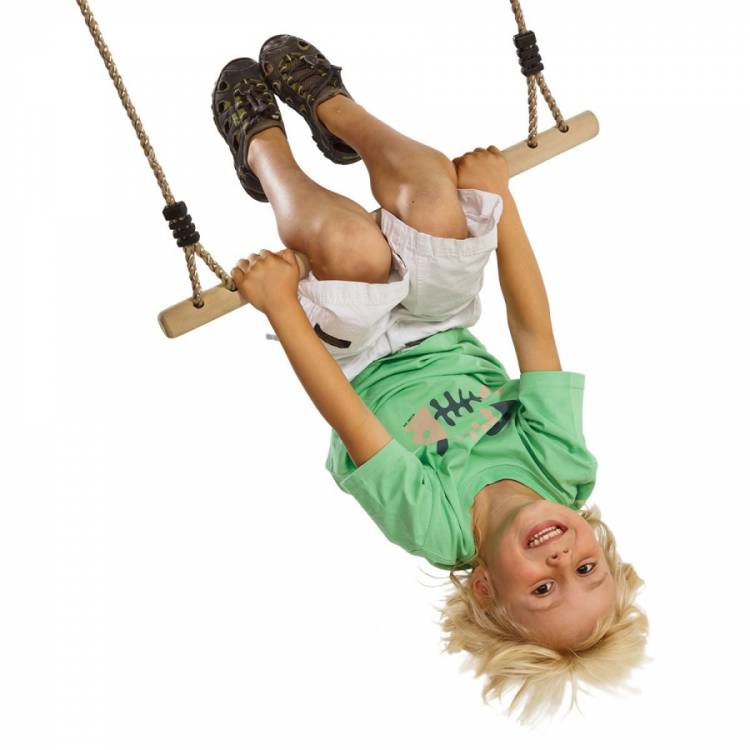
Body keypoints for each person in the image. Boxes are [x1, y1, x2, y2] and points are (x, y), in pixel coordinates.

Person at [212, 35, 650, 724]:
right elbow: (532, 331)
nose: (560, 560)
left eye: (543, 590)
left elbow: (346, 414)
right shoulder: (564, 470)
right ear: (602, 548)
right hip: (439, 324)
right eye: (586, 570)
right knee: (438, 201)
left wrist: (281, 307)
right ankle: (333, 109)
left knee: (353, 248)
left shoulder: (437, 527)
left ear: (486, 589)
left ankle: (264, 153)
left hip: (355, 362)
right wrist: (500, 204)